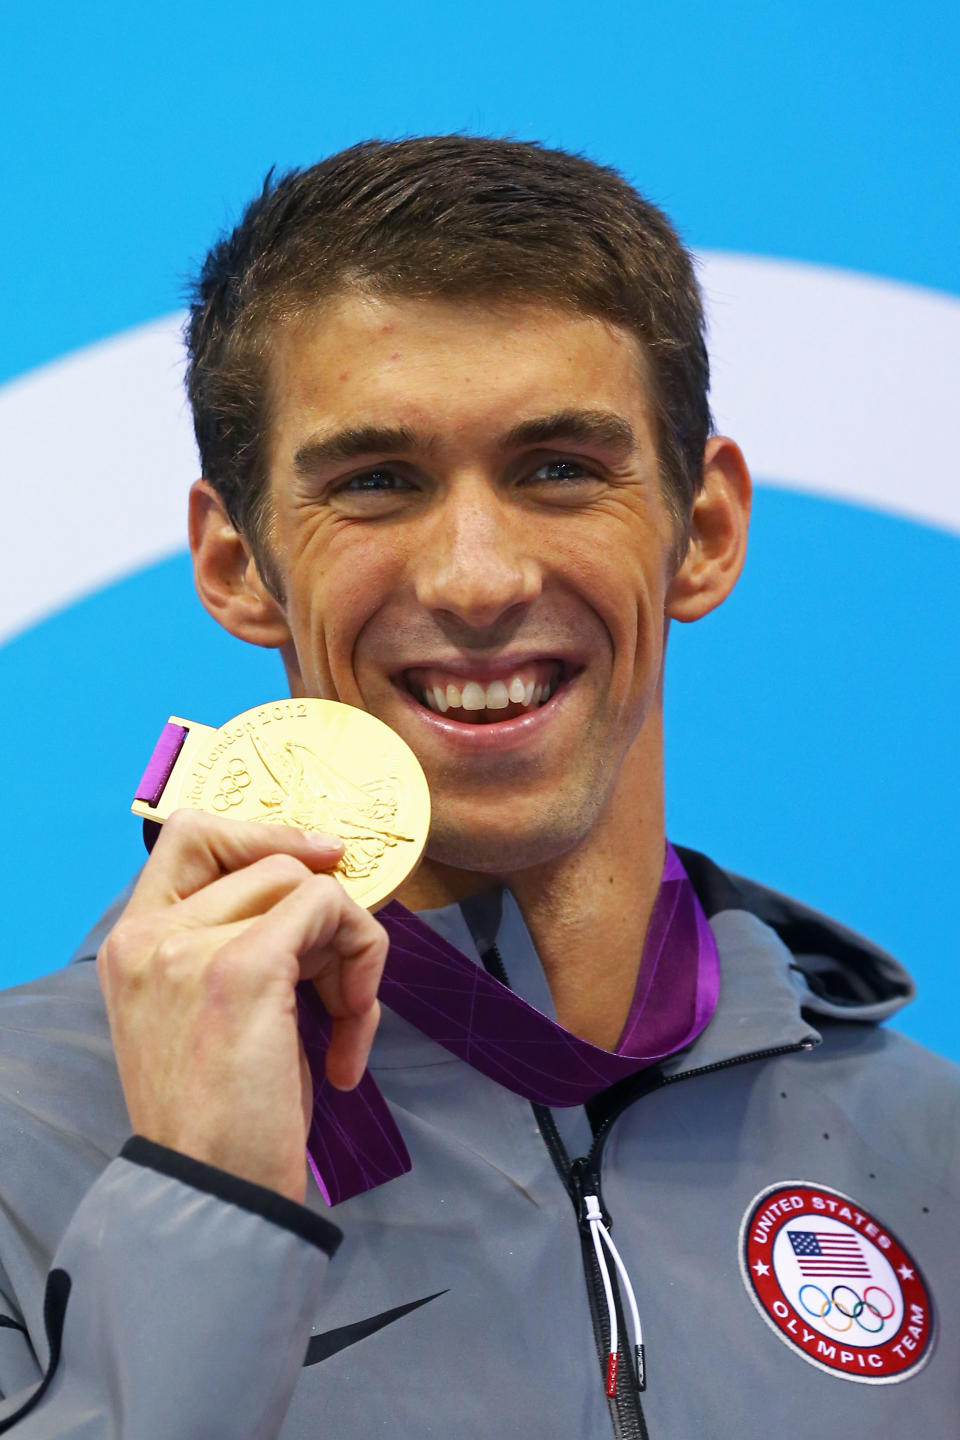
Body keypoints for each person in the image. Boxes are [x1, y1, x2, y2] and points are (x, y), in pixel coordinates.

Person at [0, 136, 956, 1438]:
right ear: (236, 565)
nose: (477, 578)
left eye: (559, 468)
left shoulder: (926, 1145)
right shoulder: (20, 1138)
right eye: (377, 482)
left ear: (706, 532)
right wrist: (203, 1206)